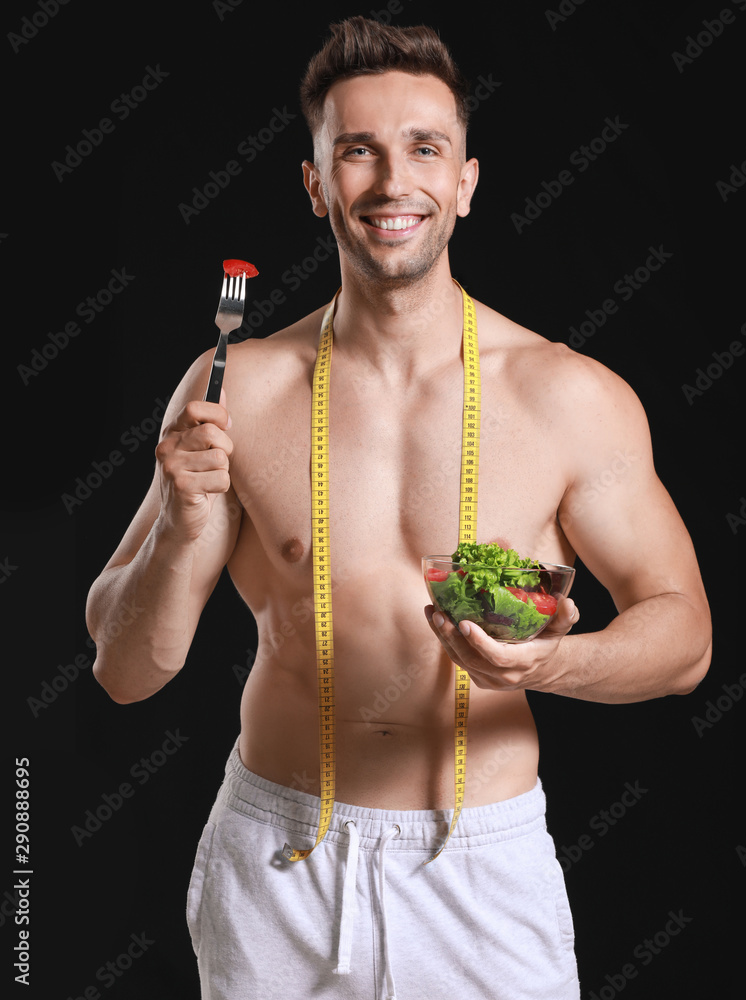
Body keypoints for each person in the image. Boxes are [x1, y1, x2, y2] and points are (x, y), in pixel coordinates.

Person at [86, 15, 711, 1000]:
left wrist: (547, 661)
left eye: (425, 148)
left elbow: (684, 640)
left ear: (464, 181)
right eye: (356, 151)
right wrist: (178, 516)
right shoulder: (232, 390)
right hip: (276, 862)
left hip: (479, 866)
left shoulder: (568, 395)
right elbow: (125, 672)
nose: (392, 183)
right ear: (315, 184)